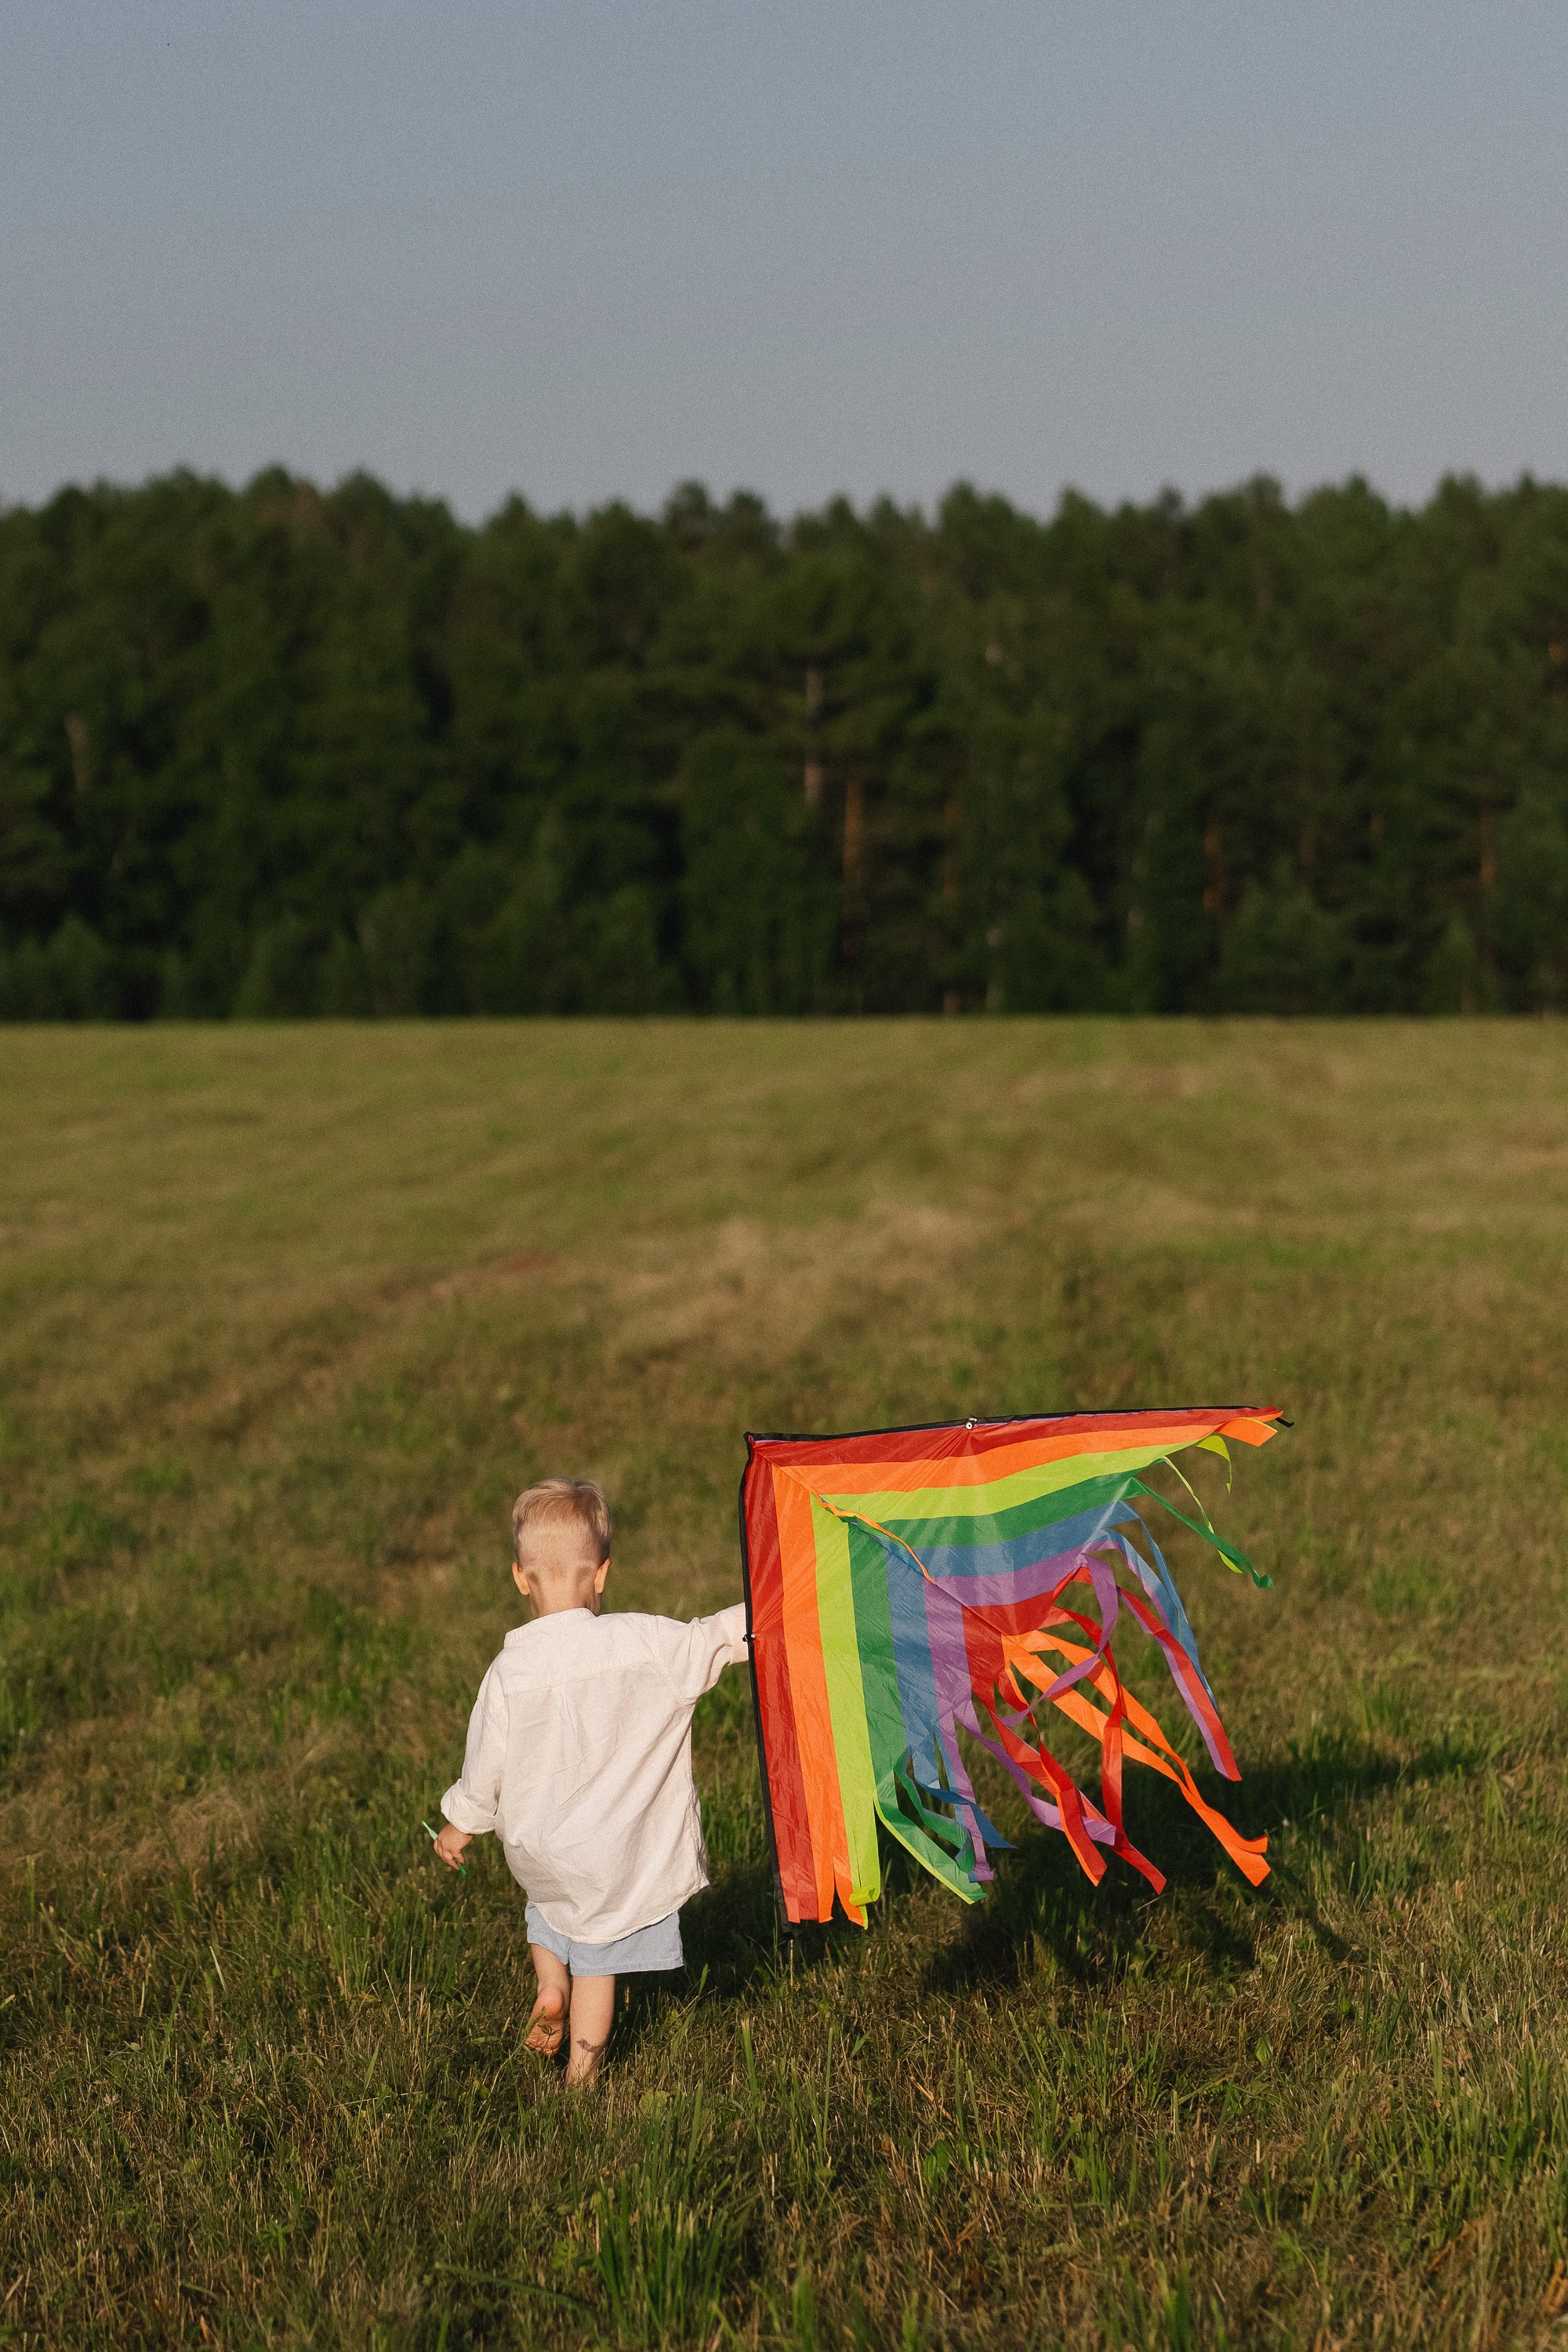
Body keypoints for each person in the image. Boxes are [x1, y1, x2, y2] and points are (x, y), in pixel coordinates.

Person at [431, 1477, 750, 2085]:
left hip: (540, 1853)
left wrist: (460, 1824)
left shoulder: (507, 1672)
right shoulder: (644, 1643)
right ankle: (582, 2072)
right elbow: (716, 1639)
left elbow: (484, 1767)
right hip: (611, 1858)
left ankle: (551, 1984)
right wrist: (775, 1604)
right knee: (599, 1959)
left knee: (548, 1909)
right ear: (601, 1574)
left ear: (520, 1577)